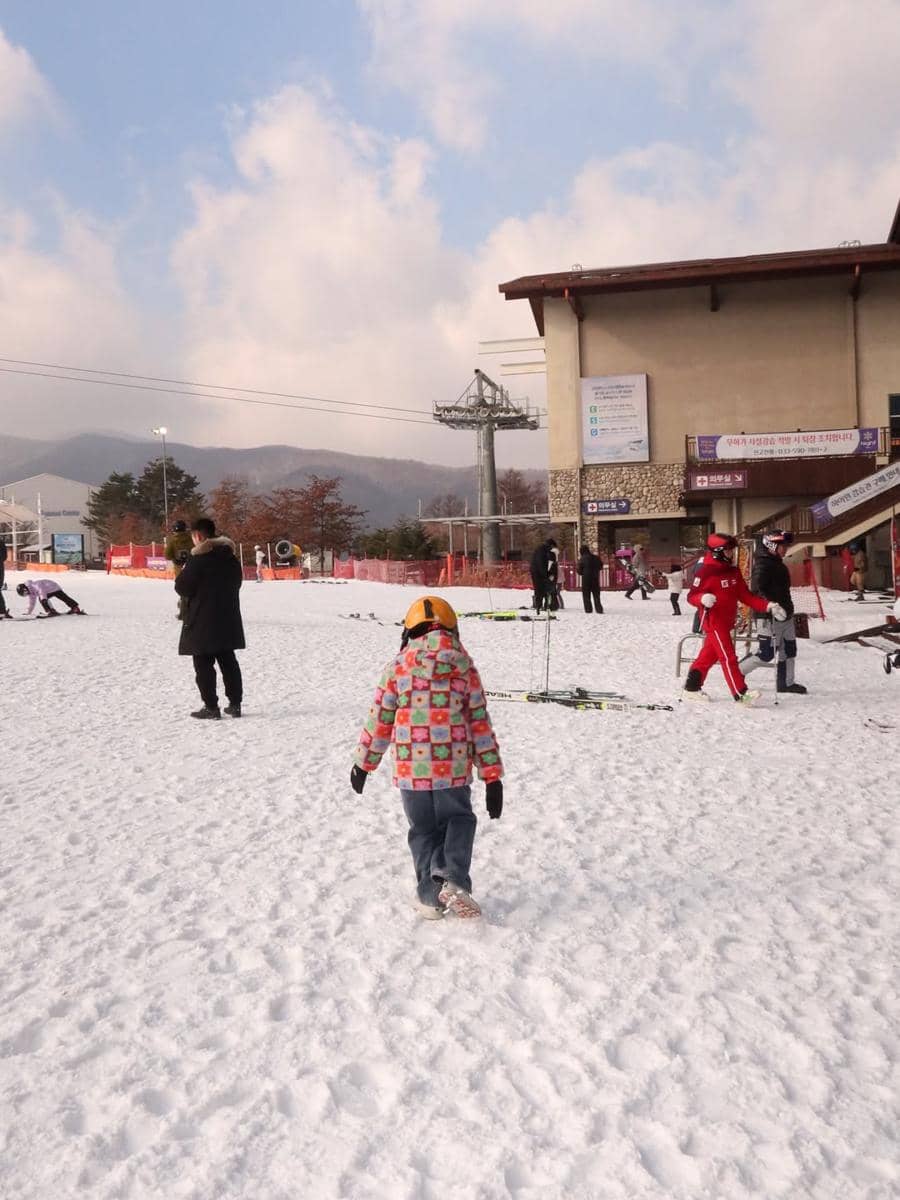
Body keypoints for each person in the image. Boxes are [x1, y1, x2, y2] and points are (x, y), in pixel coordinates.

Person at [351, 595, 503, 920]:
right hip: (453, 767)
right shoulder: (463, 666)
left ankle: (430, 897)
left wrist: (363, 764)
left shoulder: (396, 667)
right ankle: (452, 878)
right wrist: (492, 777)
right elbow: (479, 722)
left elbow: (380, 718)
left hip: (412, 770)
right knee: (457, 820)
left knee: (422, 830)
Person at [683, 533, 785, 704]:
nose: (732, 554)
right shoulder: (706, 571)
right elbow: (691, 596)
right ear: (718, 552)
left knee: (708, 656)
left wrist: (768, 606)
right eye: (729, 551)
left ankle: (691, 687)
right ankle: (741, 694)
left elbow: (746, 596)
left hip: (727, 621)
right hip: (714, 622)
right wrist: (702, 599)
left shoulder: (733, 571)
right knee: (728, 657)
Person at [174, 517, 245, 719]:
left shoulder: (198, 560)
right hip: (227, 617)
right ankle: (235, 704)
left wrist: (187, 566)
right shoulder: (231, 558)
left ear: (198, 535)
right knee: (228, 661)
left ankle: (211, 706)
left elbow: (182, 586)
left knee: (203, 664)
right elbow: (237, 584)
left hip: (202, 620)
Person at [739, 530, 807, 694]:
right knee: (766, 652)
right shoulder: (762, 565)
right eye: (781, 546)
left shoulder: (779, 564)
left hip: (786, 614)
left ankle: (786, 683)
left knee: (789, 649)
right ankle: (737, 672)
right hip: (767, 616)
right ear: (771, 545)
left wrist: (788, 609)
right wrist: (770, 606)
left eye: (785, 546)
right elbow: (756, 590)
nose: (785, 549)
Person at [16, 579, 84, 616]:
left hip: (52, 586)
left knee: (42, 598)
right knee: (64, 597)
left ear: (25, 589)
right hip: (53, 588)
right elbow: (32, 603)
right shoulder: (31, 593)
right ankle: (75, 608)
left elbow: (41, 590)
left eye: (24, 593)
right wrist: (29, 612)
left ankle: (50, 611)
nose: (25, 594)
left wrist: (43, 599)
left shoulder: (34, 585)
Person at [529, 537, 557, 613]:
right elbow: (541, 564)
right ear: (550, 545)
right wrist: (546, 574)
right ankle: (539, 606)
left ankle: (540, 605)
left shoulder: (541, 549)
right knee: (540, 589)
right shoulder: (542, 551)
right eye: (552, 547)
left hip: (536, 572)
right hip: (538, 573)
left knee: (540, 590)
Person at [577, 544, 603, 613]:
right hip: (595, 578)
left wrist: (582, 572)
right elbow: (600, 566)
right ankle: (599, 609)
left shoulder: (582, 559)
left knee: (586, 595)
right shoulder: (596, 557)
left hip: (586, 579)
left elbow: (579, 570)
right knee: (596, 595)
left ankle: (588, 609)